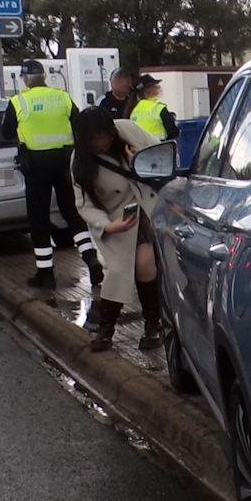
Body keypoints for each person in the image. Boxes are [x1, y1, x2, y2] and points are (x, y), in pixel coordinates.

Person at [2, 60, 104, 289]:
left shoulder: (19, 101)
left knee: (38, 219)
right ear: (44, 75)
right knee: (72, 212)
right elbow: (80, 126)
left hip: (36, 165)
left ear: (24, 78)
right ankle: (90, 259)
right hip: (64, 162)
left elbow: (7, 132)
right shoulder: (63, 97)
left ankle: (46, 273)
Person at [71, 107, 164, 351]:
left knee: (145, 264)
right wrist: (109, 225)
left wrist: (139, 162)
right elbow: (84, 204)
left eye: (105, 136)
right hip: (114, 220)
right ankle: (106, 329)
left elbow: (161, 158)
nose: (102, 142)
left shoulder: (128, 131)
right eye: (94, 139)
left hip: (145, 206)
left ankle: (153, 325)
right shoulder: (79, 162)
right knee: (118, 271)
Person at [129, 74, 180, 141]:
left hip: (141, 149)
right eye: (155, 86)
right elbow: (173, 133)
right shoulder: (159, 108)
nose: (158, 88)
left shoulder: (134, 110)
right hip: (158, 147)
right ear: (148, 90)